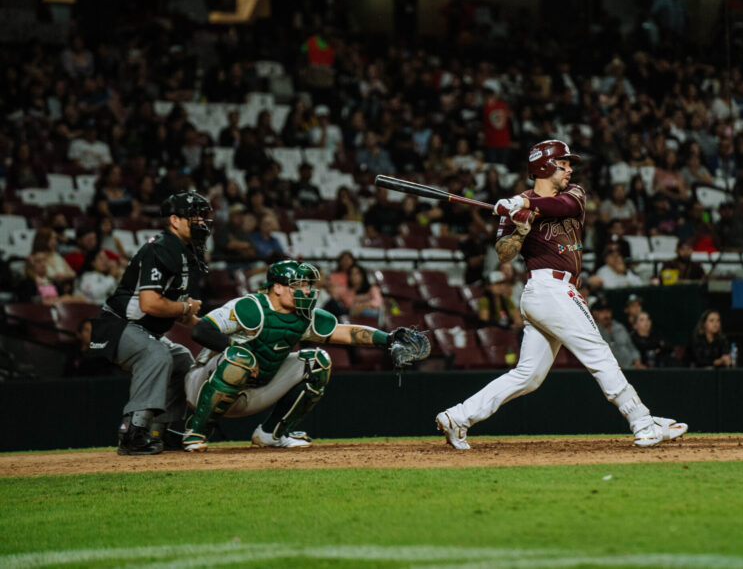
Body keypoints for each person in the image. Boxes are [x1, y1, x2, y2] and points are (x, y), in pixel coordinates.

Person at [435, 140, 686, 450]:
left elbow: (563, 207)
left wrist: (522, 205)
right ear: (544, 166)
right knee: (598, 352)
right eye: (563, 164)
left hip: (555, 291)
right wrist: (520, 230)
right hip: (546, 288)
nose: (569, 170)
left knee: (528, 376)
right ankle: (642, 423)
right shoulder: (516, 207)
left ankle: (458, 416)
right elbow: (504, 253)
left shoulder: (573, 193)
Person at [182, 260, 429, 451]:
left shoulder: (302, 316)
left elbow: (345, 332)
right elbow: (201, 330)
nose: (307, 291)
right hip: (203, 386)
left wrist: (388, 339)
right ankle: (196, 430)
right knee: (240, 358)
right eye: (299, 285)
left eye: (308, 285)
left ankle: (271, 433)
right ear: (277, 288)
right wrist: (235, 349)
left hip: (255, 391)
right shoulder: (250, 307)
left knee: (318, 361)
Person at [87, 191, 212, 456]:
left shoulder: (184, 251)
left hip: (143, 329)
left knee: (181, 359)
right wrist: (186, 307)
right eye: (194, 216)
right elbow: (150, 304)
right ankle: (132, 433)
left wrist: (219, 331)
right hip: (118, 325)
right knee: (157, 354)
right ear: (175, 220)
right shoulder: (162, 248)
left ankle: (157, 431)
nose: (201, 221)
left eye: (203, 216)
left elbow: (179, 312)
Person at [590, 296, 643, 370]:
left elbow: (631, 347)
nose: (606, 315)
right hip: (610, 370)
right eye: (602, 312)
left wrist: (637, 362)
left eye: (608, 311)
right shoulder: (594, 331)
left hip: (631, 367)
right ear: (596, 313)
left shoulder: (619, 327)